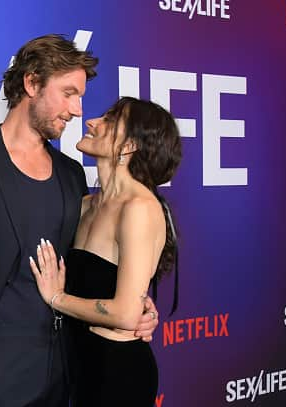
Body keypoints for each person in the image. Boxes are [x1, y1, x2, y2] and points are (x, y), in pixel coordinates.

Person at [0, 35, 160, 407]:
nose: (77, 110)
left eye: (79, 96)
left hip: (65, 375)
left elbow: (93, 260)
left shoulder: (71, 174)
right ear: (32, 83)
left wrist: (138, 307)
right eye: (68, 93)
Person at [30, 97, 181, 407]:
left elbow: (126, 314)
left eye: (110, 120)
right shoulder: (86, 204)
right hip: (79, 366)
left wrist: (57, 299)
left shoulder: (139, 208)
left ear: (129, 146)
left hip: (117, 374)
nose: (92, 121)